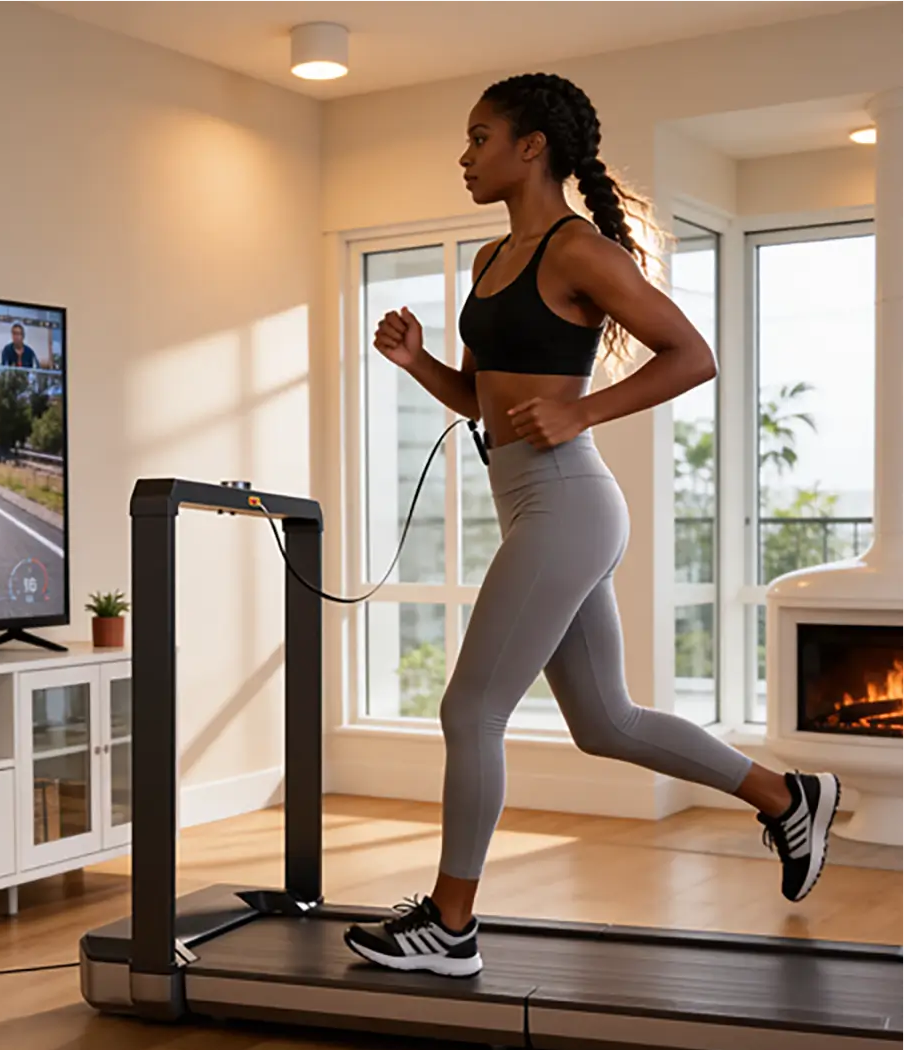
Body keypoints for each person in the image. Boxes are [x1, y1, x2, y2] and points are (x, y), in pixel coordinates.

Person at [344, 72, 840, 978]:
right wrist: (419, 363)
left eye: (479, 136)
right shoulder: (495, 260)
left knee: (470, 709)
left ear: (531, 146)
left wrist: (584, 412)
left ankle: (450, 924)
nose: (465, 154)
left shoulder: (576, 250)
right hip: (533, 500)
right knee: (606, 721)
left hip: (568, 501)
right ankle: (786, 795)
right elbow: (485, 404)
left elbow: (694, 356)